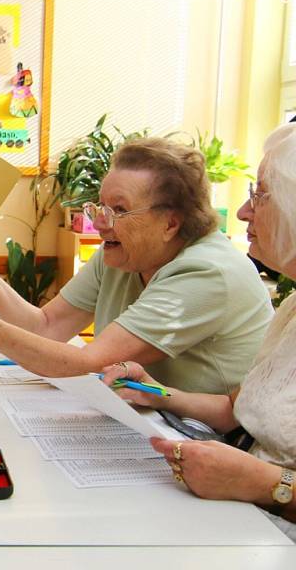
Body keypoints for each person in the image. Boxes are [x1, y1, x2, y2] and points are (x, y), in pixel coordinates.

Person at [0, 137, 272, 393]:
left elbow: (88, 363)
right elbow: (47, 327)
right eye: (99, 206)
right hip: (153, 425)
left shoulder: (206, 273)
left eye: (119, 209)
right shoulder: (119, 255)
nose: (99, 222)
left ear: (171, 224)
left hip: (213, 444)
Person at [100, 123, 296, 541]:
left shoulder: (211, 269)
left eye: (260, 196)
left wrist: (267, 484)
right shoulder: (291, 309)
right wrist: (154, 391)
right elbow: (237, 412)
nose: (243, 213)